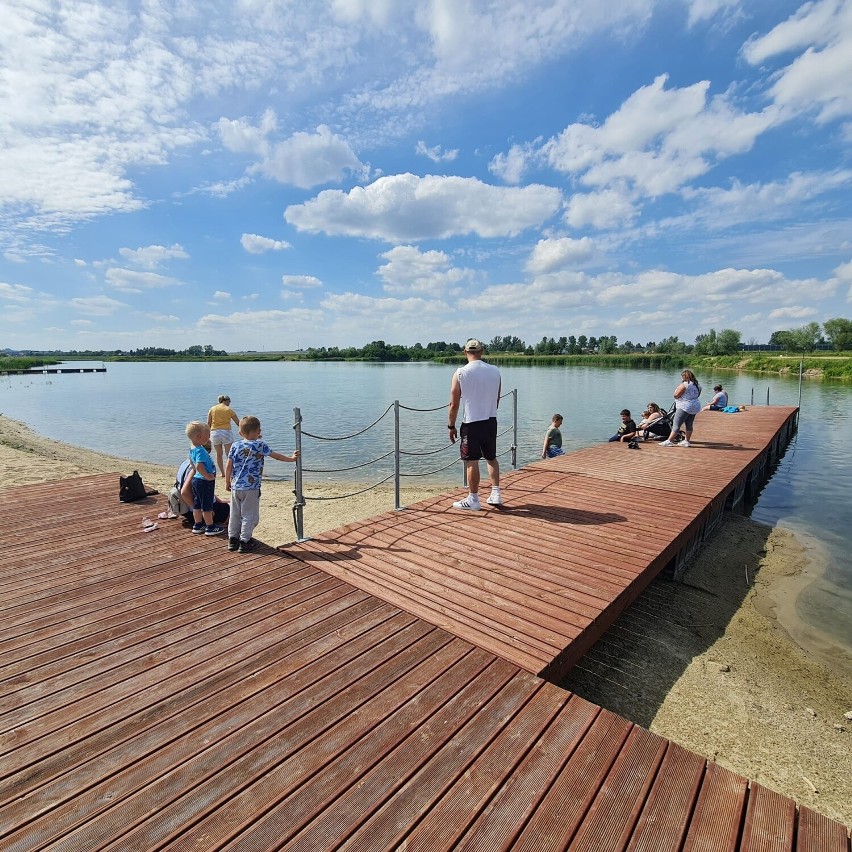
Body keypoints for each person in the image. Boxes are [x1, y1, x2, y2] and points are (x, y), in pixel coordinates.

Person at [225, 415, 299, 553]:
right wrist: (291, 459)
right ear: (257, 432)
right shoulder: (260, 445)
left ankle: (232, 539)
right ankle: (244, 541)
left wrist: (227, 481)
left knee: (235, 513)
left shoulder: (235, 445)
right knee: (249, 515)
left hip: (236, 486)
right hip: (251, 488)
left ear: (240, 433)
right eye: (259, 430)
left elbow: (228, 465)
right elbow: (276, 456)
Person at [447, 338, 502, 510]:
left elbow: (454, 404)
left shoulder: (460, 373)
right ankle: (496, 493)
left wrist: (451, 425)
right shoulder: (495, 371)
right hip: (490, 420)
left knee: (472, 461)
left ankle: (473, 499)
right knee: (491, 457)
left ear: (465, 352)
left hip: (471, 423)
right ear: (482, 351)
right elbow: (497, 398)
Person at [170, 442, 229, 526]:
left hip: (186, 507)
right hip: (193, 510)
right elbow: (184, 492)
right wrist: (201, 511)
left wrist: (219, 500)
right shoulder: (196, 468)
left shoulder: (185, 463)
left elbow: (200, 489)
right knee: (230, 510)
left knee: (225, 505)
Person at [185, 421, 225, 536]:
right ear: (199, 436)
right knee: (207, 505)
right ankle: (210, 526)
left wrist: (198, 472)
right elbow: (198, 465)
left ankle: (198, 524)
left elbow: (192, 465)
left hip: (196, 480)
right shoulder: (200, 450)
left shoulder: (192, 449)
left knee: (197, 503)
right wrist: (207, 476)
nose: (209, 437)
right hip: (204, 481)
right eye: (208, 434)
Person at [660, 370, 702, 447]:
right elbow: (697, 395)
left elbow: (676, 395)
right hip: (695, 406)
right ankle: (686, 441)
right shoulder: (698, 385)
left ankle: (670, 441)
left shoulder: (685, 385)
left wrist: (677, 395)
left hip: (684, 406)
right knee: (689, 424)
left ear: (684, 377)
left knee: (676, 424)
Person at [207, 394, 240, 478]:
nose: (230, 403)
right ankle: (231, 473)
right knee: (229, 453)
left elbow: (209, 423)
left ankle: (222, 473)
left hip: (214, 432)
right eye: (229, 401)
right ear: (226, 401)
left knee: (219, 454)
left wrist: (207, 435)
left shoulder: (212, 409)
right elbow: (238, 423)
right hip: (226, 432)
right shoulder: (229, 410)